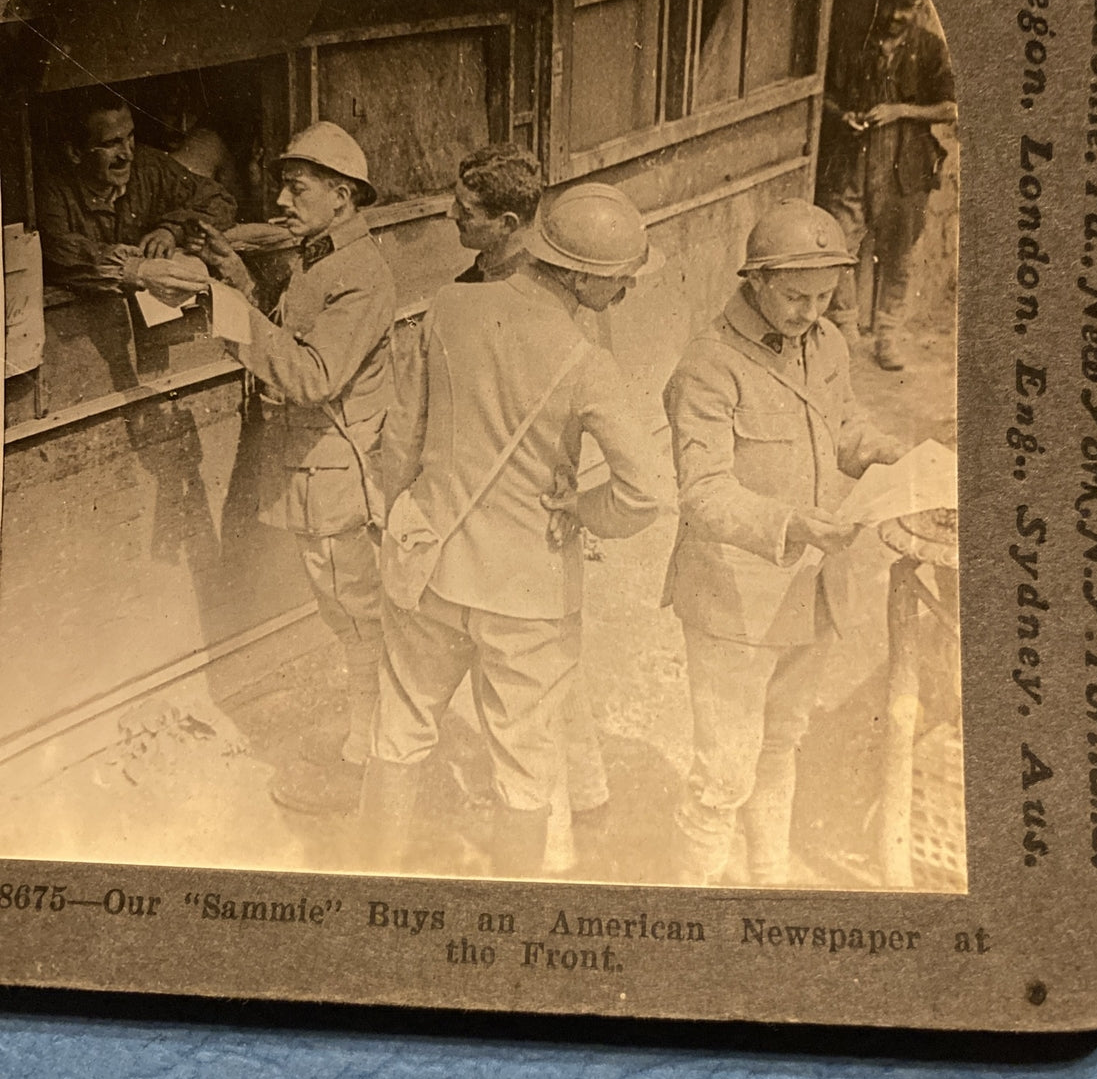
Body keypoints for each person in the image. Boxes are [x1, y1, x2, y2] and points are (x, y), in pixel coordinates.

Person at [363, 182, 662, 880]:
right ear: (584, 276)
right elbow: (646, 494)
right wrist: (583, 510)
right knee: (524, 763)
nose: (620, 294)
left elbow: (400, 443)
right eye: (617, 282)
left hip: (430, 568)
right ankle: (507, 913)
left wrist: (412, 511)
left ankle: (364, 884)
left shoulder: (448, 306)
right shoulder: (587, 362)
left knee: (399, 727)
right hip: (528, 592)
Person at [148, 122, 397, 813]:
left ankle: (371, 765)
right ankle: (366, 746)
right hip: (316, 476)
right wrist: (237, 282)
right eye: (284, 183)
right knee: (349, 618)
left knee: (360, 622)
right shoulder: (319, 262)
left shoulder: (358, 276)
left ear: (342, 196)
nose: (282, 198)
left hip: (338, 483)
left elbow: (313, 375)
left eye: (298, 186)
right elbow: (290, 340)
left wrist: (220, 307)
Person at [662, 200, 908, 887]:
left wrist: (884, 454)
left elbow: (843, 424)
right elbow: (702, 492)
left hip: (810, 593)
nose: (810, 310)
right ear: (758, 281)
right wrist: (793, 524)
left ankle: (768, 878)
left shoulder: (826, 342)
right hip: (735, 603)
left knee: (782, 741)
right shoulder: (709, 367)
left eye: (825, 295)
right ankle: (692, 901)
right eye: (797, 296)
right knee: (724, 769)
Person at [819, 0, 957, 371]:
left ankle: (887, 336)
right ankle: (844, 332)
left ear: (918, 8)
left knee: (899, 257)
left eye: (907, 7)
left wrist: (901, 110)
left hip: (905, 169)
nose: (897, 15)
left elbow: (950, 108)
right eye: (891, 5)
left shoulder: (929, 48)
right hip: (853, 164)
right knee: (837, 249)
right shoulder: (854, 43)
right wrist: (843, 116)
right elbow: (823, 95)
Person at [39, 89, 237, 294]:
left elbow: (218, 199)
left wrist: (171, 230)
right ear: (75, 152)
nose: (127, 154)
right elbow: (57, 250)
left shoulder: (148, 166)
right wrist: (135, 270)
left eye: (130, 136)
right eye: (111, 143)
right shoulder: (53, 192)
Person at [451, 144, 541, 282]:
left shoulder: (525, 291)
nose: (451, 214)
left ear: (507, 224)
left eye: (465, 212)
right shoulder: (484, 269)